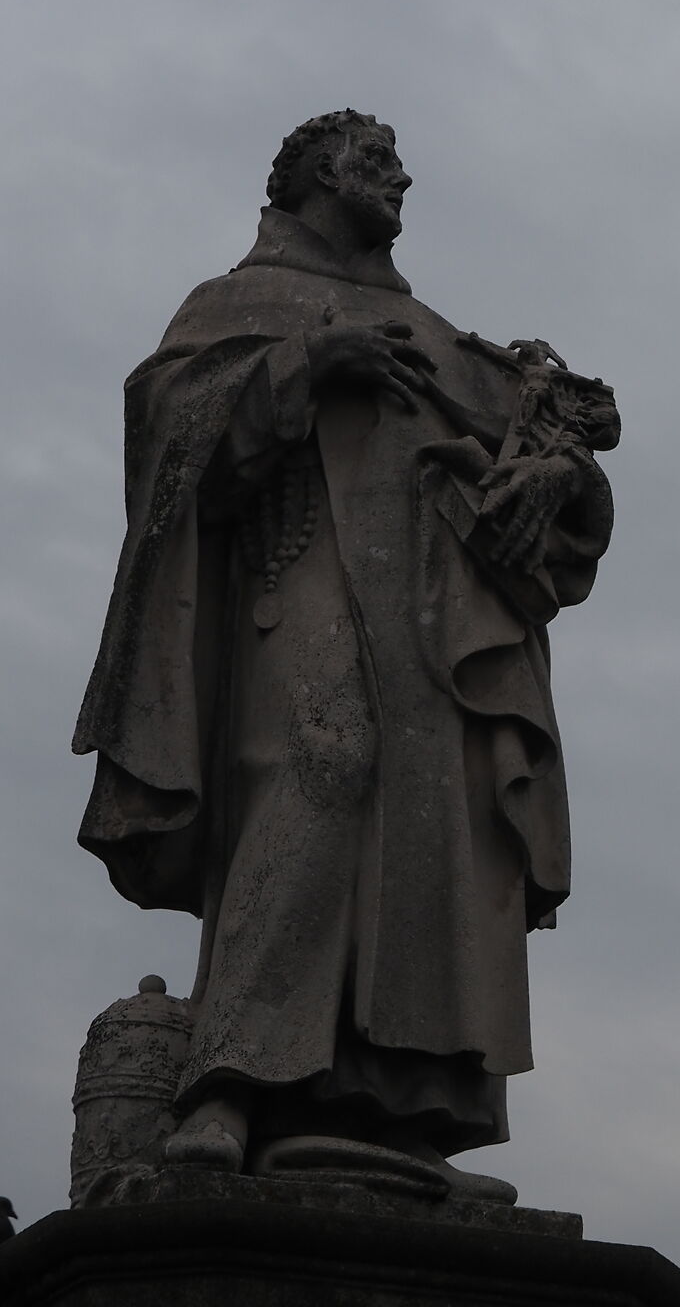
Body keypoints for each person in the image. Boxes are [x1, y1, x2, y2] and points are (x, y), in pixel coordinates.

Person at [71, 112, 617, 1197]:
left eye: (400, 161)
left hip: (437, 623)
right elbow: (172, 446)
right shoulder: (239, 305)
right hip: (302, 584)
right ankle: (229, 1082)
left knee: (436, 825)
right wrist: (308, 362)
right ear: (313, 175)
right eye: (375, 161)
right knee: (319, 769)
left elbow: (559, 465)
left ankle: (398, 1115)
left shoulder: (440, 333)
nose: (401, 176)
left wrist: (558, 479)